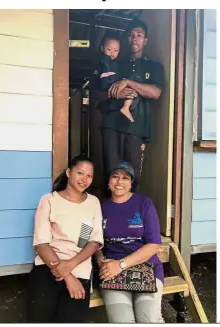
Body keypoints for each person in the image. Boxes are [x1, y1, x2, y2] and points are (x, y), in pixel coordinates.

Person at [27, 155, 104, 323]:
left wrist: (71, 265)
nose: (85, 179)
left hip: (80, 269)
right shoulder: (49, 200)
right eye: (80, 173)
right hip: (48, 266)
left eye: (89, 176)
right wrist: (68, 276)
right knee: (40, 316)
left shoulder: (93, 203)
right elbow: (41, 244)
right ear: (69, 172)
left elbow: (92, 241)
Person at [92, 19, 164, 192]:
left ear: (145, 40)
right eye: (131, 35)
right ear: (126, 38)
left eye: (139, 35)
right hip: (111, 125)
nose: (135, 39)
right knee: (111, 173)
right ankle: (109, 217)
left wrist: (127, 82)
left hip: (137, 128)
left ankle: (131, 217)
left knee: (132, 177)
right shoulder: (113, 61)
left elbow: (155, 92)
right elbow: (96, 93)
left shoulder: (153, 67)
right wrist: (115, 93)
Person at [95, 161, 164, 323]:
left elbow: (154, 243)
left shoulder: (144, 203)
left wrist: (121, 264)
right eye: (115, 177)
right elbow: (93, 241)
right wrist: (101, 261)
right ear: (108, 181)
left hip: (146, 266)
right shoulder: (99, 206)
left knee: (149, 320)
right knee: (122, 321)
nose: (120, 182)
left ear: (131, 182)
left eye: (125, 178)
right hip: (111, 269)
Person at [98, 32, 139, 123]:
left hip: (116, 106)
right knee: (133, 84)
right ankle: (126, 107)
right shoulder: (103, 63)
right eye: (109, 49)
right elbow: (95, 94)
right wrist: (116, 92)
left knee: (133, 86)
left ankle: (125, 108)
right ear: (101, 48)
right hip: (108, 106)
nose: (112, 53)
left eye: (116, 50)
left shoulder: (118, 64)